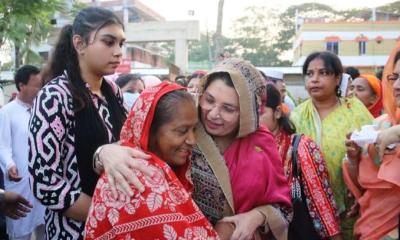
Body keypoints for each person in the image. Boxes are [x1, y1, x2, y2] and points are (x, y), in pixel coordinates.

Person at [95, 59, 292, 240]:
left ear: (247, 113)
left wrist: (257, 216)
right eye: (209, 100)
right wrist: (103, 152)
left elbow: (283, 207)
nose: (214, 114)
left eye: (228, 109)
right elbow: (138, 143)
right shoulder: (185, 123)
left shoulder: (260, 144)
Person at [28, 7, 127, 239]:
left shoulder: (113, 91)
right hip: (74, 230)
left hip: (119, 225)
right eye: (108, 42)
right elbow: (45, 183)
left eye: (121, 44)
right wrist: (107, 214)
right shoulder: (55, 96)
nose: (118, 52)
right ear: (80, 44)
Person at [85, 82, 220, 239]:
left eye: (194, 129)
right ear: (149, 130)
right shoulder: (138, 178)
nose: (192, 140)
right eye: (182, 131)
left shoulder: (139, 161)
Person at [290, 51, 373, 239]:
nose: (315, 79)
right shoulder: (297, 115)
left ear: (337, 78)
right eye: (310, 74)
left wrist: (362, 190)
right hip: (309, 209)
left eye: (323, 73)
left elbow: (374, 154)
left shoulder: (355, 110)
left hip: (353, 202)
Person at [260, 84, 341, 240]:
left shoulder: (301, 147)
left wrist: (335, 237)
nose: (254, 120)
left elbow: (321, 203)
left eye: (260, 113)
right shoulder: (247, 148)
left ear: (277, 112)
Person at [343, 44, 400, 239]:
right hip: (372, 226)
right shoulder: (378, 126)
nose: (397, 86)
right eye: (395, 77)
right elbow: (362, 183)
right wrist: (353, 159)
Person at [0, 65, 46, 240]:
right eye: (36, 85)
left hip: (42, 182)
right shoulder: (7, 112)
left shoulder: (43, 111)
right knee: (21, 231)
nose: (40, 90)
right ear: (21, 85)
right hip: (20, 182)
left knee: (45, 229)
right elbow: (2, 145)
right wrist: (10, 165)